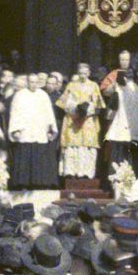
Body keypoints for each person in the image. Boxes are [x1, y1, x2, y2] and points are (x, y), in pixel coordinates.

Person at [6, 75, 60, 192]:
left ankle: (38, 183)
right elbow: (15, 113)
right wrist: (15, 130)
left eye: (36, 82)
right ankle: (22, 183)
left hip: (39, 130)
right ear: (27, 82)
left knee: (39, 157)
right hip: (25, 131)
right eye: (31, 82)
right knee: (24, 157)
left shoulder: (43, 95)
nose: (34, 85)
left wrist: (51, 129)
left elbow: (49, 113)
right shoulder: (20, 95)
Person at [58, 63, 105, 197]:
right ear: (78, 73)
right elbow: (63, 102)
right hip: (73, 119)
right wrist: (76, 109)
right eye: (81, 73)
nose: (83, 75)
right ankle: (72, 173)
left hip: (88, 120)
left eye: (85, 73)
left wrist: (87, 109)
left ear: (89, 73)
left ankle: (87, 173)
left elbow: (98, 104)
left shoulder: (94, 86)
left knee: (87, 146)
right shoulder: (71, 85)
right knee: (74, 145)